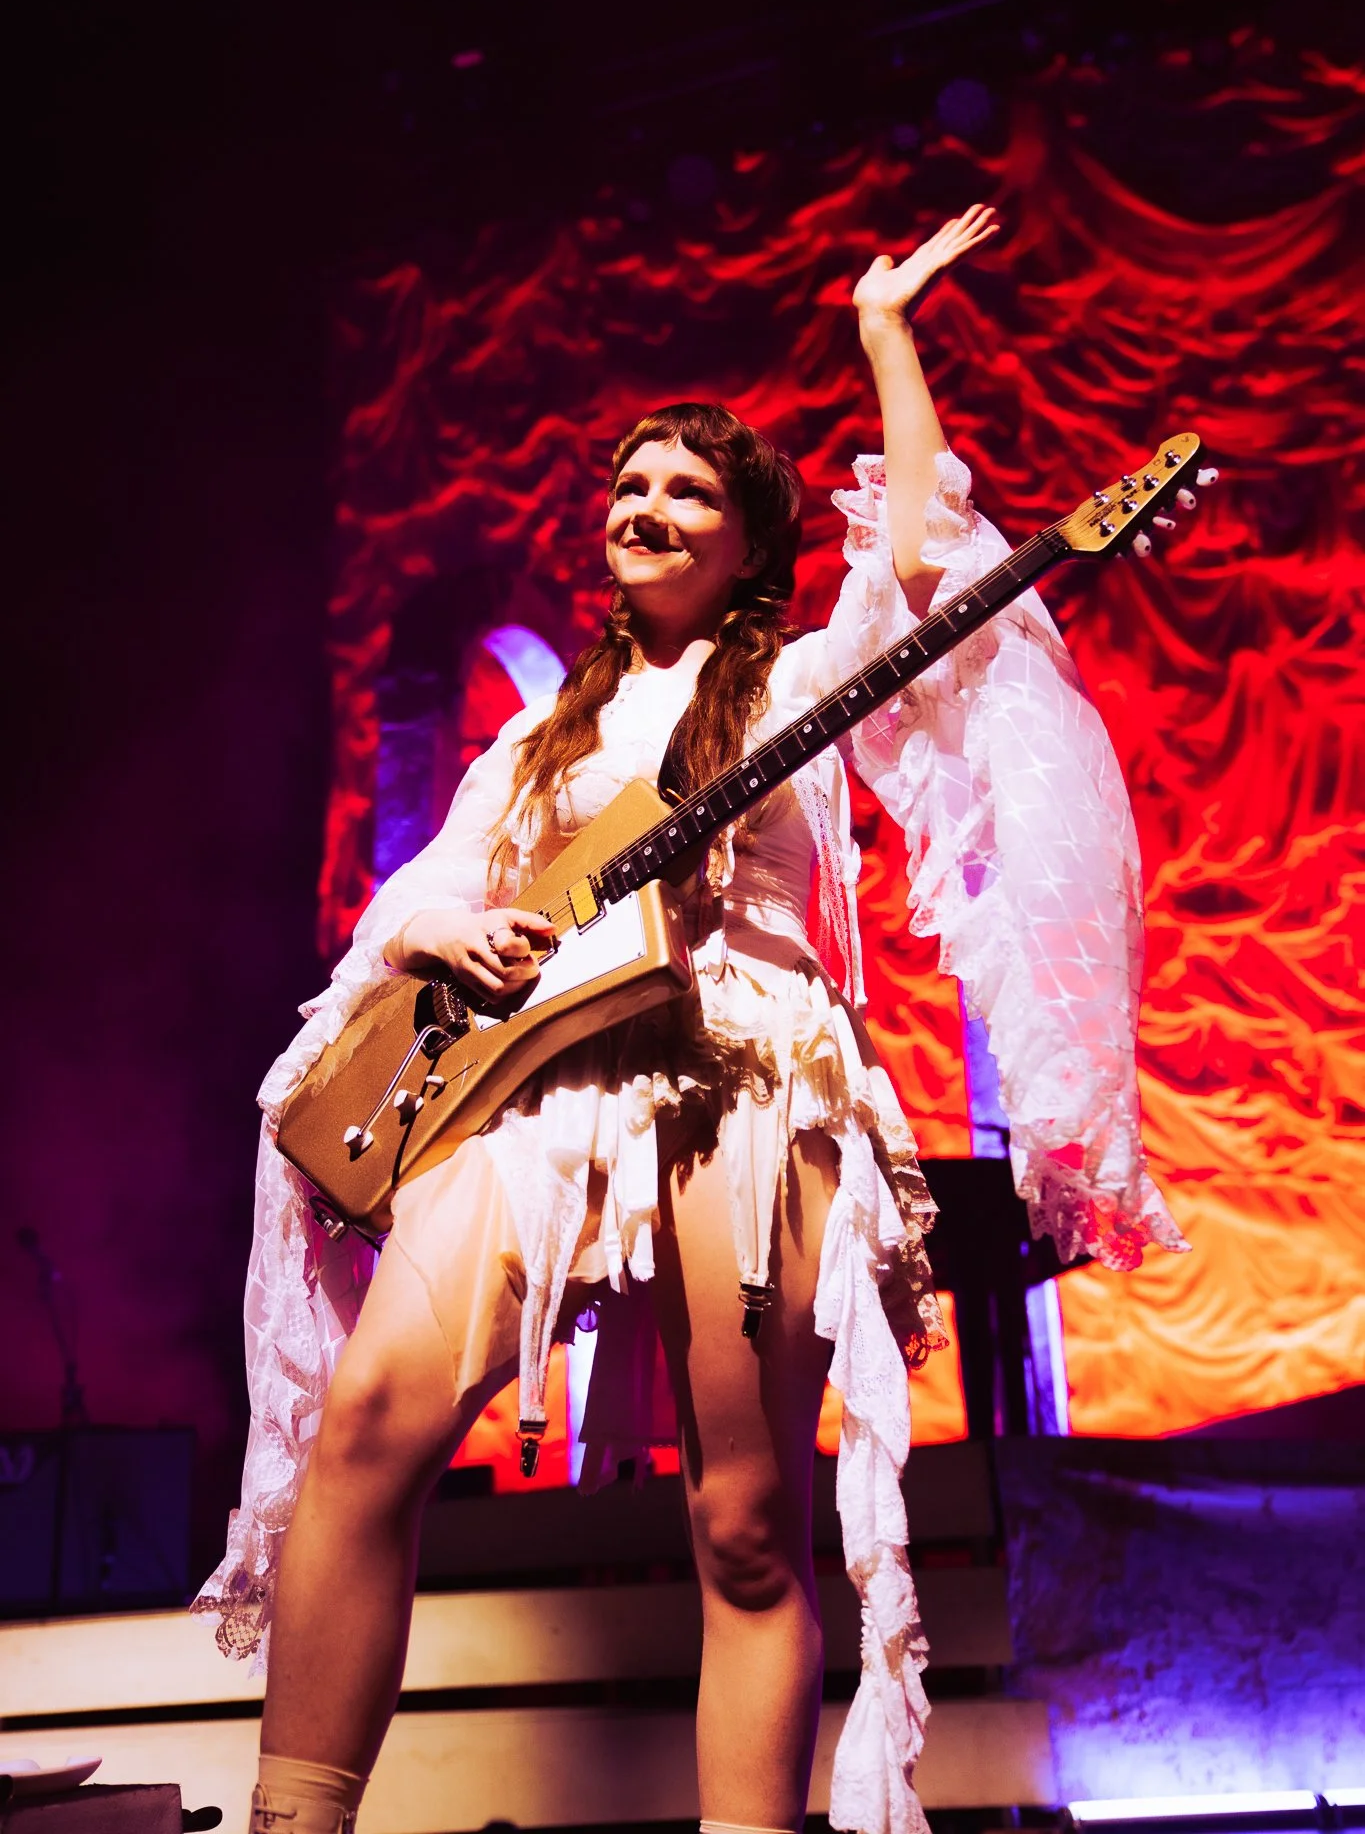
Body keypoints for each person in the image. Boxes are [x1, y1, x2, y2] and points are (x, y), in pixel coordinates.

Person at [196, 206, 1186, 1834]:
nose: (643, 506)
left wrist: (883, 336)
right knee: (366, 1428)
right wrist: (454, 921)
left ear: (749, 544)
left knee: (741, 1520)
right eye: (628, 485)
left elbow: (929, 558)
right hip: (535, 1083)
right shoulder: (538, 739)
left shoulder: (803, 681)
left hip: (741, 1065)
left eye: (687, 490)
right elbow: (412, 904)